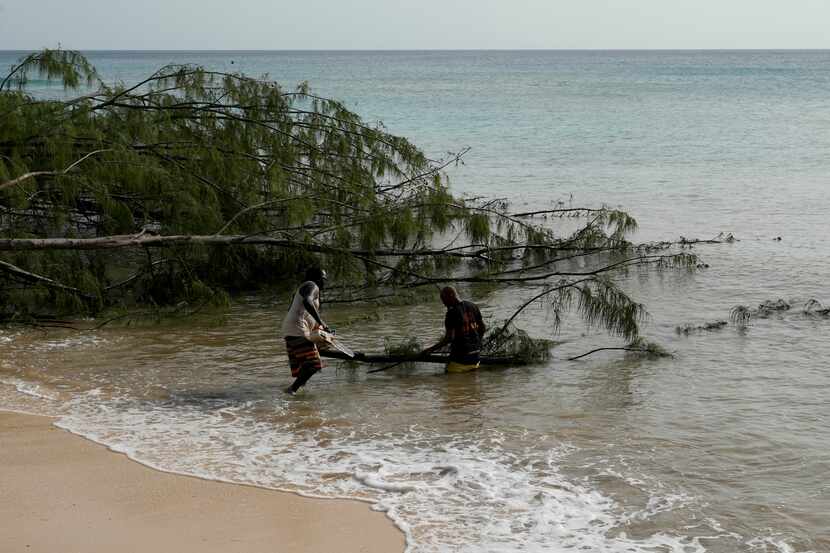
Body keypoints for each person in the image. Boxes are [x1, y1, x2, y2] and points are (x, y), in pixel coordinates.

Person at [281, 267, 330, 394]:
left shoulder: (304, 287)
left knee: (306, 365)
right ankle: (291, 390)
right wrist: (321, 322)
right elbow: (307, 301)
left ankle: (298, 403)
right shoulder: (312, 285)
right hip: (297, 329)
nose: (326, 282)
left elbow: (301, 312)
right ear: (318, 279)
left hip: (292, 329)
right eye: (324, 279)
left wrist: (317, 329)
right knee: (314, 364)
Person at [424, 286, 486, 373]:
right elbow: (482, 328)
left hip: (459, 360)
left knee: (450, 383)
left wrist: (430, 349)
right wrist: (477, 343)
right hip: (475, 357)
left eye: (443, 299)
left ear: (451, 295)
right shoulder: (473, 306)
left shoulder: (451, 314)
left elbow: (449, 338)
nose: (443, 303)